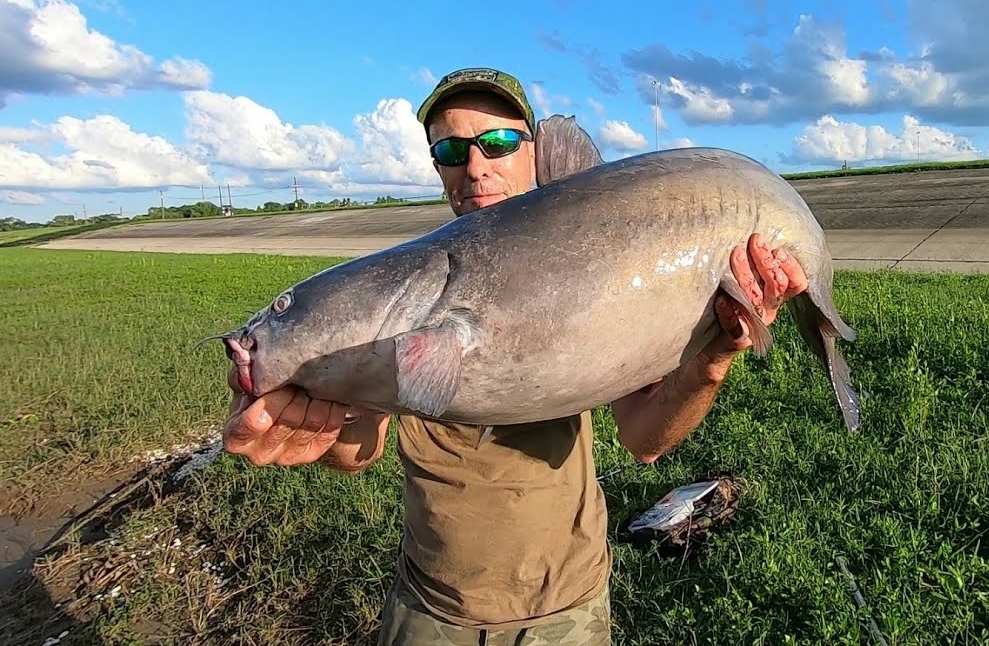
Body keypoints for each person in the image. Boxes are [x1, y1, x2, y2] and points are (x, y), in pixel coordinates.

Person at [220, 67, 811, 645]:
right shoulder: (404, 288)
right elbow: (359, 451)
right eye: (450, 151)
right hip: (431, 607)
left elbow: (645, 439)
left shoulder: (596, 267)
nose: (475, 166)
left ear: (535, 151)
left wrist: (712, 360)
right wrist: (316, 424)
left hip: (565, 609)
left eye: (499, 141)